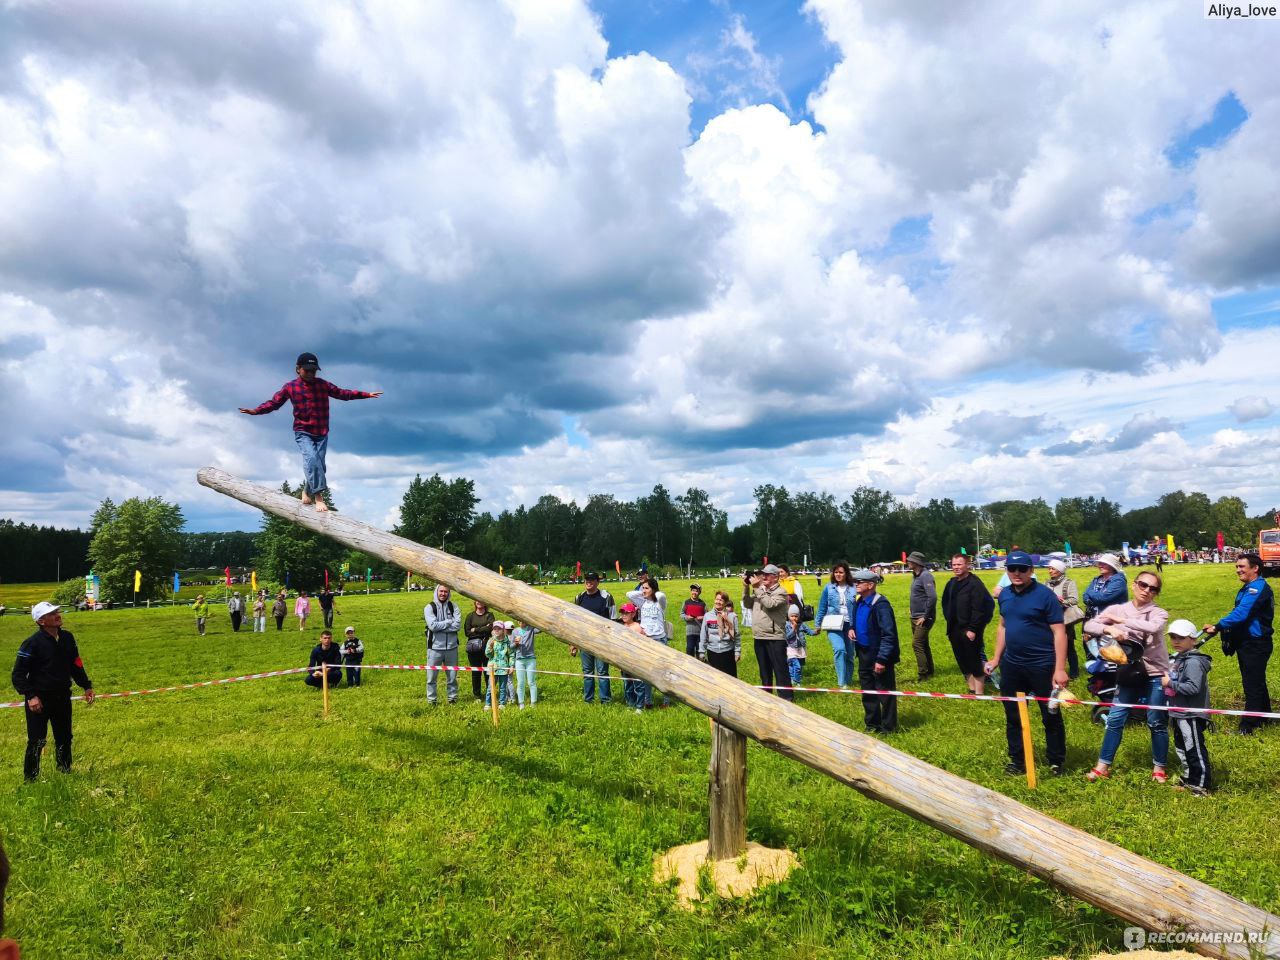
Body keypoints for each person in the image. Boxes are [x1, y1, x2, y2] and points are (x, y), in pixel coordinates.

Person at [238, 351, 382, 512]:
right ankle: (318, 498)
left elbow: (342, 393)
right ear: (298, 369)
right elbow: (274, 403)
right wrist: (256, 411)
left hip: (321, 432)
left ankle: (306, 490)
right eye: (307, 370)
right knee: (312, 460)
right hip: (303, 431)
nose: (310, 374)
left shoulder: (323, 385)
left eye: (313, 371)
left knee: (319, 466)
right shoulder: (290, 387)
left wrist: (365, 395)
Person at [986, 551, 1069, 776]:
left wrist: (1059, 669)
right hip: (1012, 666)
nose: (1017, 573)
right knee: (1013, 715)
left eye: (1022, 569)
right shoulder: (1004, 595)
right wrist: (996, 658)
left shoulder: (1045, 596)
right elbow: (1003, 626)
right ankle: (1017, 761)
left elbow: (1059, 633)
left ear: (1031, 571)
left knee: (1050, 714)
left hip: (1042, 665)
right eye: (1012, 569)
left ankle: (1056, 761)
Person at [1083, 570, 1169, 783]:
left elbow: (1153, 627)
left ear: (1156, 593)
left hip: (1155, 672)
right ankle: (1103, 765)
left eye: (1153, 588)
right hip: (1129, 671)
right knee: (1115, 718)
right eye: (1143, 584)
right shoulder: (1117, 607)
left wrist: (1121, 621)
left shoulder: (1158, 612)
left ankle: (1159, 768)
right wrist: (1108, 629)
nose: (1146, 590)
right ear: (1134, 585)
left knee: (1156, 721)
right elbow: (1089, 625)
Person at [11, 602, 95, 781]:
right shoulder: (31, 643)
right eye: (52, 613)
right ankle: (30, 779)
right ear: (41, 621)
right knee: (37, 741)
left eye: (57, 611)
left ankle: (65, 771)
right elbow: (18, 675)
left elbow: (76, 665)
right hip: (39, 701)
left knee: (64, 737)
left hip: (63, 697)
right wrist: (31, 696)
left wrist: (86, 686)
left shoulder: (67, 638)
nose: (58, 615)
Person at [1202, 553, 1273, 734]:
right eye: (1237, 567)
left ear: (1255, 568)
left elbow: (1241, 613)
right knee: (1257, 682)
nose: (1238, 570)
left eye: (1242, 567)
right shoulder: (1249, 587)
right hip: (1248, 643)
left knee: (1252, 684)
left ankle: (1247, 727)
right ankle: (1266, 718)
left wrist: (1218, 626)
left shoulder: (1257, 588)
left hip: (1255, 644)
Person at [1162, 619, 1213, 794]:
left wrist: (1170, 683)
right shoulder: (1181, 658)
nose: (1176, 641)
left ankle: (1201, 785)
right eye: (1173, 637)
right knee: (1182, 748)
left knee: (1194, 749)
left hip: (1190, 714)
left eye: (1181, 638)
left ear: (1192, 639)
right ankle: (1189, 778)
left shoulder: (1193, 662)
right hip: (1178, 712)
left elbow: (1192, 688)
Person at [848, 569, 900, 733]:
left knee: (884, 691)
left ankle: (888, 726)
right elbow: (856, 619)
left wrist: (882, 659)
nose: (856, 584)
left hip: (878, 654)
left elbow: (888, 634)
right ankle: (872, 723)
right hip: (863, 652)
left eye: (859, 582)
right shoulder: (859, 601)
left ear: (870, 584)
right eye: (855, 581)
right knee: (868, 690)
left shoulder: (881, 605)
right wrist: (851, 628)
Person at [941, 554, 993, 696]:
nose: (956, 567)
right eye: (954, 564)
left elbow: (980, 608)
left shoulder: (975, 584)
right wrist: (950, 620)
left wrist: (974, 628)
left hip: (970, 630)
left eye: (959, 564)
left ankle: (980, 692)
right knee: (962, 660)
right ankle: (971, 689)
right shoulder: (951, 583)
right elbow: (945, 603)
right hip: (954, 629)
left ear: (967, 565)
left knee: (974, 660)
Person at [742, 564, 792, 701]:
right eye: (762, 574)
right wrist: (746, 588)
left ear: (775, 577)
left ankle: (786, 698)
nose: (763, 577)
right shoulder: (760, 591)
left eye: (766, 574)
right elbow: (747, 604)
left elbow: (770, 604)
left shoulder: (781, 592)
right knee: (764, 670)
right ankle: (766, 697)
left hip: (775, 637)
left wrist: (757, 588)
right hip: (759, 636)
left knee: (780, 669)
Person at [571, 573, 615, 704]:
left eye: (591, 580)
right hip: (585, 641)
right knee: (587, 673)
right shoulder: (579, 597)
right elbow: (575, 621)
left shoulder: (606, 597)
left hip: (602, 641)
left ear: (597, 582)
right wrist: (573, 643)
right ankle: (588, 700)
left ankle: (605, 700)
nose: (588, 582)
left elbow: (613, 619)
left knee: (602, 672)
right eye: (586, 580)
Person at [626, 576, 669, 708]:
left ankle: (666, 701)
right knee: (647, 673)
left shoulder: (660, 602)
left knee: (662, 672)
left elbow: (661, 594)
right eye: (642, 588)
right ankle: (648, 701)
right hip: (646, 641)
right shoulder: (642, 603)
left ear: (653, 589)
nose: (643, 590)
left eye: (646, 588)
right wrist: (644, 591)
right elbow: (629, 594)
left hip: (659, 640)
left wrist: (651, 591)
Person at [815, 562, 856, 688]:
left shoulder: (854, 587)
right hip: (833, 624)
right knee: (840, 649)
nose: (838, 574)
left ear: (846, 573)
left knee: (849, 654)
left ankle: (848, 681)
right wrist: (817, 624)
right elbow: (822, 606)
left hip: (850, 625)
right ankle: (841, 682)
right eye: (836, 572)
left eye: (841, 572)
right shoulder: (829, 588)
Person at [424, 584, 462, 705]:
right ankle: (432, 700)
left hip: (452, 648)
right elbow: (432, 626)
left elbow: (457, 626)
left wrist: (440, 626)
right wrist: (448, 622)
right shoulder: (429, 607)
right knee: (431, 678)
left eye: (446, 591)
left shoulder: (454, 606)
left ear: (449, 593)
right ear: (437, 591)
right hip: (434, 648)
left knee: (452, 677)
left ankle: (452, 699)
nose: (443, 594)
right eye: (441, 591)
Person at [1046, 559, 1083, 678]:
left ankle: (1074, 673)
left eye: (1053, 568)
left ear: (1060, 570)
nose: (1050, 571)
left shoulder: (1069, 583)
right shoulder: (1047, 583)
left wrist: (1062, 601)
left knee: (1069, 647)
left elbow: (1074, 600)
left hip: (1065, 620)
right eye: (1049, 568)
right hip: (1049, 620)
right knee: (1051, 647)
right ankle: (1053, 671)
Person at [905, 551, 937, 682]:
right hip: (915, 616)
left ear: (916, 562)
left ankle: (923, 674)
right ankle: (930, 670)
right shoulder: (915, 576)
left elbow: (933, 597)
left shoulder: (925, 576)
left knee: (916, 643)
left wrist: (925, 615)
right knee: (923, 643)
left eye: (910, 560)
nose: (907, 562)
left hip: (924, 618)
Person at [698, 591, 740, 677]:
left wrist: (737, 652)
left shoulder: (732, 616)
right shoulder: (707, 616)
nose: (718, 602)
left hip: (728, 651)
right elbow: (703, 635)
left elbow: (737, 636)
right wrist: (702, 652)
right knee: (715, 679)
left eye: (721, 600)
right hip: (713, 652)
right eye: (717, 599)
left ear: (725, 603)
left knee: (730, 680)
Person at [618, 604, 648, 711]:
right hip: (625, 660)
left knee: (638, 684)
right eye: (622, 613)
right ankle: (630, 704)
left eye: (626, 613)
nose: (623, 615)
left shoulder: (637, 627)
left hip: (636, 660)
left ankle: (640, 706)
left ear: (633, 614)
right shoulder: (622, 626)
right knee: (628, 684)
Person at [463, 601, 495, 701]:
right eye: (477, 600)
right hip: (473, 648)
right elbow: (467, 632)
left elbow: (490, 628)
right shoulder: (470, 616)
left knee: (487, 672)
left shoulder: (490, 615)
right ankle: (477, 695)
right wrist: (483, 629)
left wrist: (475, 630)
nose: (479, 602)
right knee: (476, 672)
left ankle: (489, 694)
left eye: (481, 600)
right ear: (474, 602)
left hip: (487, 648)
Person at [1082, 553, 1128, 620]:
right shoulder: (1097, 579)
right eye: (1100, 563)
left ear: (1112, 566)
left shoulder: (1119, 581)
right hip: (1094, 618)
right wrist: (1093, 598)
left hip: (1112, 620)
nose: (1100, 566)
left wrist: (1090, 592)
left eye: (1104, 564)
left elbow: (1103, 598)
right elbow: (1085, 596)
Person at [484, 622, 514, 709]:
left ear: (503, 630)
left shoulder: (507, 641)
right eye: (495, 629)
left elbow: (511, 654)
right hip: (493, 668)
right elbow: (488, 655)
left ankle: (502, 703)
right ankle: (488, 704)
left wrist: (511, 666)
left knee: (503, 688)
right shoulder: (491, 640)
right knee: (490, 687)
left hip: (504, 668)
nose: (497, 631)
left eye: (499, 629)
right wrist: (490, 647)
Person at [785, 605, 816, 688]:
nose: (794, 618)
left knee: (797, 665)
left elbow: (810, 632)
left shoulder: (802, 625)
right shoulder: (787, 625)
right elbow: (787, 637)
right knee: (796, 665)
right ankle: (797, 681)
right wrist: (793, 629)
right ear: (789, 616)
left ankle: (793, 679)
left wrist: (816, 632)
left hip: (800, 648)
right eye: (792, 616)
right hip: (791, 648)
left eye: (796, 616)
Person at [511, 620, 538, 709]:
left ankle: (533, 703)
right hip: (519, 660)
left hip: (530, 659)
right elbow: (511, 646)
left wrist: (531, 620)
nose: (521, 622)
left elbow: (540, 629)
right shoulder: (515, 631)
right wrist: (516, 643)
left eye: (523, 620)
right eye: (519, 620)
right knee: (520, 682)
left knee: (531, 682)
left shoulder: (531, 629)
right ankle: (521, 703)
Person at [680, 584, 707, 658]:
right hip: (690, 632)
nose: (694, 592)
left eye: (696, 591)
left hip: (700, 633)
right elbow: (681, 614)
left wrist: (702, 617)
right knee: (690, 650)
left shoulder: (703, 604)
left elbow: (708, 616)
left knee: (699, 651)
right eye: (693, 590)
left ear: (699, 592)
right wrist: (686, 617)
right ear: (690, 591)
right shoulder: (686, 602)